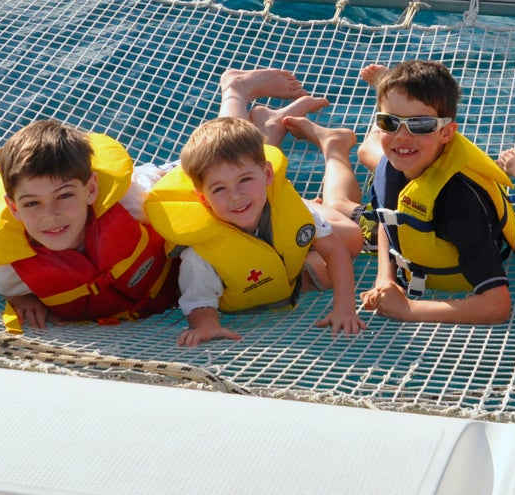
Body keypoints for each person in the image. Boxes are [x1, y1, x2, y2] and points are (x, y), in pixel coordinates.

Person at [332, 60, 515, 325]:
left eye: (421, 124)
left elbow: (497, 306)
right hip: (421, 183)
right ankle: (390, 91)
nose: (402, 135)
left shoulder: (459, 203)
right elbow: (388, 219)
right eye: (389, 122)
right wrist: (385, 278)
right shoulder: (391, 166)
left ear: (446, 132)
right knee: (367, 152)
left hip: (489, 222)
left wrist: (409, 309)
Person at [142, 70, 366, 347]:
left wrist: (345, 307)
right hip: (277, 273)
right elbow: (199, 301)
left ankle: (323, 146)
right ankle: (270, 126)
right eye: (219, 189)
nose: (235, 197)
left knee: (353, 238)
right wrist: (207, 325)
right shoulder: (202, 254)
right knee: (329, 261)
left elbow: (335, 249)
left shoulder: (289, 210)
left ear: (268, 175)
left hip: (280, 231)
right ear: (203, 198)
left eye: (244, 181)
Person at [0, 119, 178, 334]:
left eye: (64, 195)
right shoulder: (7, 269)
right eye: (32, 203)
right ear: (14, 208)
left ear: (90, 190)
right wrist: (20, 298)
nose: (50, 215)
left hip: (178, 290)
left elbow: (176, 179)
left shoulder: (130, 203)